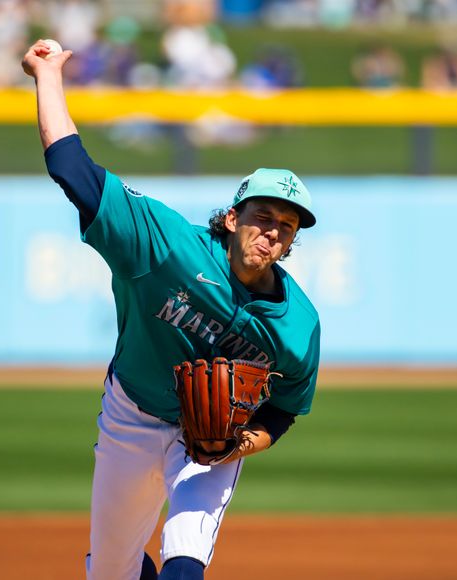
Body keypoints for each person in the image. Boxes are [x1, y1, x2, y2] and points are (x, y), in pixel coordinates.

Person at [22, 39, 321, 580]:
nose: (273, 230)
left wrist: (239, 444)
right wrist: (46, 75)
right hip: (130, 415)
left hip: (209, 446)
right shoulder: (165, 247)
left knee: (186, 563)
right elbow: (72, 168)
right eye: (264, 215)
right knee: (111, 572)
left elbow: (284, 408)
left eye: (287, 225)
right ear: (232, 218)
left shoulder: (298, 326)